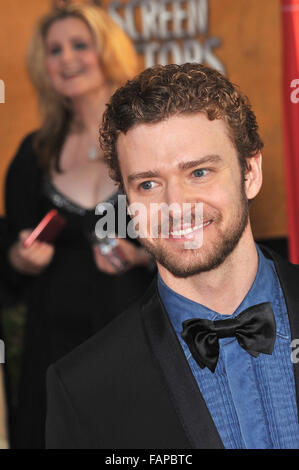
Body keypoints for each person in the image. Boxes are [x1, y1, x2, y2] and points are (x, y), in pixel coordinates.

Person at [46, 63, 299, 449]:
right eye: (148, 184)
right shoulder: (85, 388)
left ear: (250, 172)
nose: (174, 207)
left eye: (198, 173)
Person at [4, 4, 153, 449]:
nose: (67, 58)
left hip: (142, 345)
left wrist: (143, 255)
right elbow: (8, 256)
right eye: (54, 49)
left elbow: (196, 233)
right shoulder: (34, 153)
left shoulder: (150, 139)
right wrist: (20, 258)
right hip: (54, 355)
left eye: (79, 45)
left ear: (106, 52)